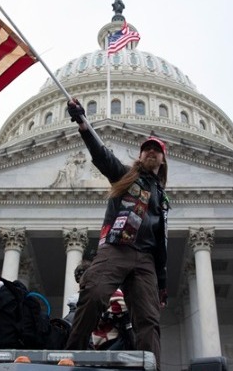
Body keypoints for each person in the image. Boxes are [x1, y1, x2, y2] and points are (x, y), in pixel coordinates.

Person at [64, 98, 170, 369]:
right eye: (146, 150)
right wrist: (83, 124)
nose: (150, 153)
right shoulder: (126, 177)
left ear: (162, 159)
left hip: (145, 259)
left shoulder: (161, 197)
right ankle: (70, 354)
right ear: (140, 156)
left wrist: (161, 281)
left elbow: (161, 243)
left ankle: (150, 364)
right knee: (95, 292)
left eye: (155, 151)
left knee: (148, 317)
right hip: (118, 247)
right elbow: (102, 157)